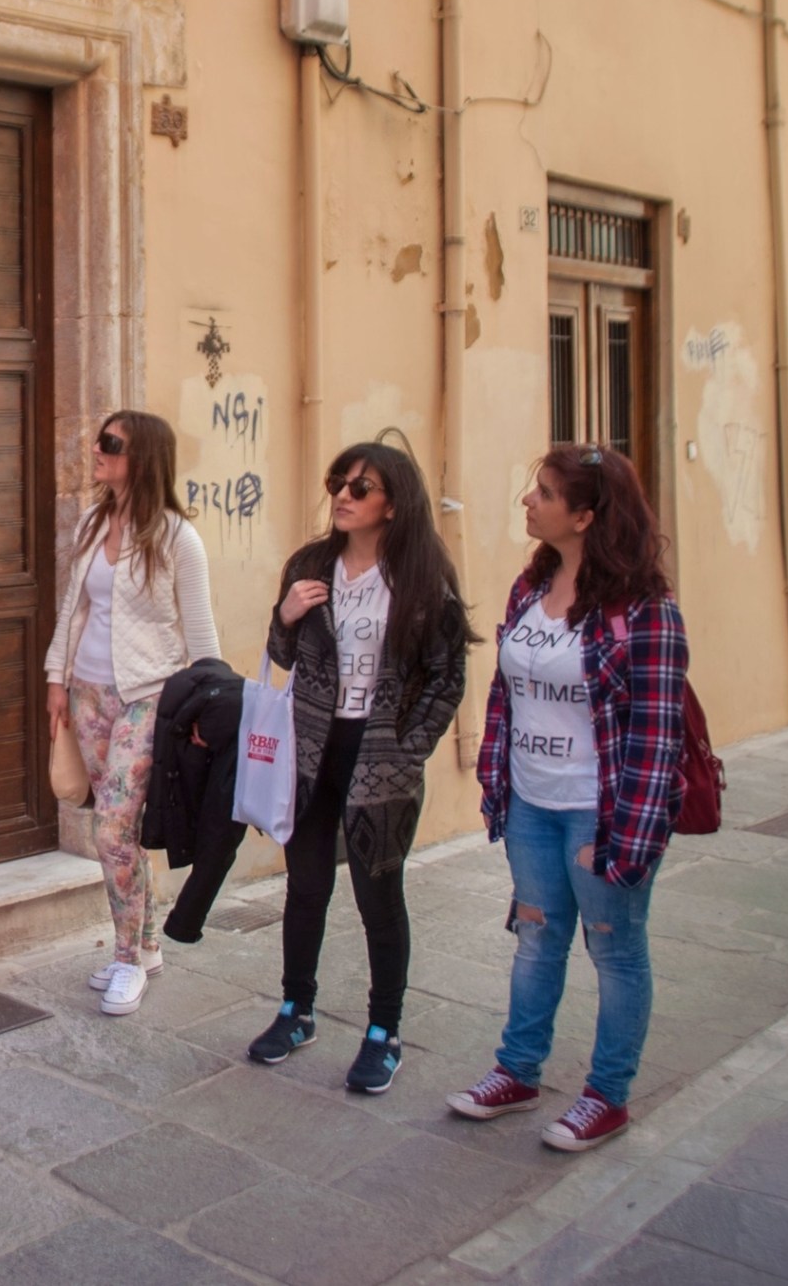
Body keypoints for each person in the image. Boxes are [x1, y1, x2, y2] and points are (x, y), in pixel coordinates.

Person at [447, 445, 687, 1151]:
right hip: (530, 804)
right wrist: (500, 781)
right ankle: (517, 1071)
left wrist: (629, 842)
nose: (529, 500)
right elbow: (506, 694)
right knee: (536, 938)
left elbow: (655, 737)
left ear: (585, 516)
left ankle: (606, 1095)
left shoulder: (644, 614)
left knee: (614, 951)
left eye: (545, 493)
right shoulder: (531, 589)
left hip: (598, 809)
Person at [249, 442, 472, 1092]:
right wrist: (284, 616)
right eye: (338, 483)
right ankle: (296, 1009)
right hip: (312, 749)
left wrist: (412, 746)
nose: (343, 495)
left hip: (381, 758)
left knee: (379, 896)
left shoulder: (423, 580)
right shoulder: (311, 564)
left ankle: (384, 1031)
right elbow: (281, 654)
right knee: (307, 887)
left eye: (360, 486)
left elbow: (447, 675)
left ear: (393, 504)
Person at [44, 411, 221, 1017]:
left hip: (151, 697)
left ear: (141, 458)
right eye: (98, 438)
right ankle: (146, 945)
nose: (95, 448)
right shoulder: (94, 522)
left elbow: (201, 636)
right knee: (123, 834)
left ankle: (125, 957)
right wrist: (55, 679)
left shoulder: (178, 538)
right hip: (89, 693)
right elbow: (73, 607)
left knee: (114, 828)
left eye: (110, 443)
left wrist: (207, 714)